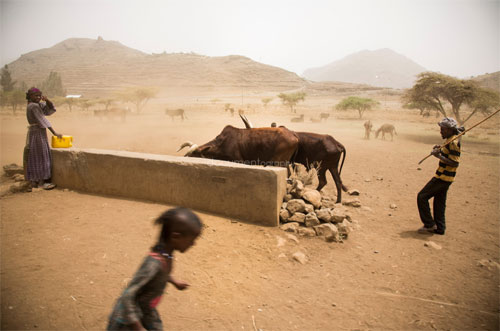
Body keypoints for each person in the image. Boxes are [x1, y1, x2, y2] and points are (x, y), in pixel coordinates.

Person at [107, 207, 203, 330]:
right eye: (191, 240)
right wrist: (138, 327)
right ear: (175, 237)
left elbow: (160, 273)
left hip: (146, 309)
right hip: (129, 317)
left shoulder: (166, 255)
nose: (193, 244)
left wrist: (174, 281)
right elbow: (127, 296)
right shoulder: (153, 264)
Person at [417, 117, 463, 235]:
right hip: (445, 177)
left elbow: (455, 162)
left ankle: (429, 224)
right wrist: (440, 150)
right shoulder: (450, 139)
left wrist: (438, 156)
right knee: (439, 202)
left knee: (422, 196)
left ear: (450, 130)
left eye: (443, 129)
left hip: (443, 177)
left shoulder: (453, 142)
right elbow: (449, 155)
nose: (441, 132)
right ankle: (440, 228)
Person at [24, 87, 62, 190]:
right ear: (30, 96)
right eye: (35, 95)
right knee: (43, 156)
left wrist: (47, 100)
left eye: (39, 95)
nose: (38, 97)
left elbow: (49, 110)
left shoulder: (35, 105)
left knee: (35, 156)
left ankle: (34, 181)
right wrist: (54, 133)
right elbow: (42, 119)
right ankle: (44, 182)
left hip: (36, 132)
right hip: (38, 132)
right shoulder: (34, 106)